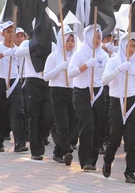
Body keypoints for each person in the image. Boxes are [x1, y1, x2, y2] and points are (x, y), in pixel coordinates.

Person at [101, 32, 135, 183]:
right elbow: (104, 80)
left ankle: (130, 172)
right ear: (123, 45)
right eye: (130, 45)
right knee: (115, 137)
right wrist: (119, 69)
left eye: (134, 46)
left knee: (133, 139)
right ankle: (107, 160)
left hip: (132, 100)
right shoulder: (113, 61)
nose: (132, 49)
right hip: (117, 100)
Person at [67, 25, 109, 170]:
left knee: (97, 127)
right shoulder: (80, 53)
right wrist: (86, 65)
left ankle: (93, 159)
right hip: (81, 92)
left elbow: (106, 76)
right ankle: (85, 160)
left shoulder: (104, 55)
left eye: (99, 38)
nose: (97, 40)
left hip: (98, 92)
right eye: (94, 37)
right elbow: (71, 73)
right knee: (87, 125)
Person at [0, 21, 27, 153]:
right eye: (8, 32)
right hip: (0, 81)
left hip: (14, 82)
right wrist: (4, 54)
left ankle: (19, 143)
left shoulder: (18, 49)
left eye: (13, 32)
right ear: (3, 33)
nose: (11, 34)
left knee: (18, 112)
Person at [17, 33, 55, 161]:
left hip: (48, 82)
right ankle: (36, 150)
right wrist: (31, 48)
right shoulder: (27, 43)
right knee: (35, 117)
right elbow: (17, 53)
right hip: (33, 82)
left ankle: (41, 137)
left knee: (49, 116)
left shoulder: (52, 43)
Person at [43, 26, 76, 164]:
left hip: (72, 90)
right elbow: (46, 76)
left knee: (73, 122)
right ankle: (66, 150)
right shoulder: (53, 56)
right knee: (62, 122)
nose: (70, 43)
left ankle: (58, 152)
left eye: (72, 41)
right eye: (67, 40)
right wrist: (60, 67)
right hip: (57, 90)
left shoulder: (76, 56)